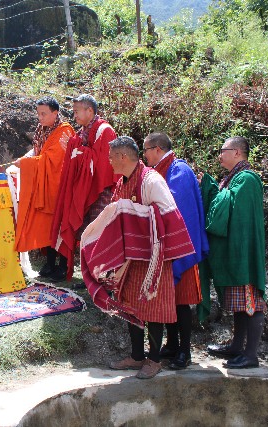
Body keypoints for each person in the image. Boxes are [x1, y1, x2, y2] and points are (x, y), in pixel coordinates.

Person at [80, 136, 194, 379]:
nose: (109, 162)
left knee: (153, 309)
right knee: (131, 306)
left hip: (154, 258)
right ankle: (136, 356)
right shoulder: (123, 182)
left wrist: (130, 211)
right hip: (131, 258)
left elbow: (168, 214)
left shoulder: (151, 180)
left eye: (111, 157)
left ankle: (154, 360)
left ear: (123, 157)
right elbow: (115, 214)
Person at [142, 133, 209, 370]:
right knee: (168, 299)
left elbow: (174, 204)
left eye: (146, 150)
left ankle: (185, 351)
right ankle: (171, 345)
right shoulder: (163, 169)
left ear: (158, 149)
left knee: (181, 303)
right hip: (166, 248)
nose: (144, 155)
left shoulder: (179, 170)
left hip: (181, 250)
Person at [201, 136, 266, 369]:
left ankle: (250, 355)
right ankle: (237, 347)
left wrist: (213, 191)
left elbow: (233, 212)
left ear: (237, 152)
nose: (220, 154)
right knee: (240, 302)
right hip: (236, 250)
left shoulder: (247, 179)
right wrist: (211, 188)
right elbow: (224, 203)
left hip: (245, 253)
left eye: (223, 150)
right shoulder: (234, 178)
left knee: (251, 303)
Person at [51, 94, 118, 279]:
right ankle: (91, 276)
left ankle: (104, 277)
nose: (74, 116)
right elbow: (83, 155)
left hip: (102, 191)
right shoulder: (82, 132)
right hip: (86, 190)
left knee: (100, 233)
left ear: (90, 110)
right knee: (86, 233)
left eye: (76, 111)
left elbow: (103, 165)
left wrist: (76, 150)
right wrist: (74, 148)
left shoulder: (105, 131)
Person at [13, 96, 74, 281]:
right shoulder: (42, 129)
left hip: (59, 184)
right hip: (44, 182)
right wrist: (24, 159)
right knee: (46, 224)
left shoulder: (65, 131)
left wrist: (26, 163)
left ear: (55, 113)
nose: (40, 117)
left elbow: (53, 159)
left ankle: (62, 266)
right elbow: (38, 151)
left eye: (44, 114)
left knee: (61, 224)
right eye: (38, 113)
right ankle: (49, 263)